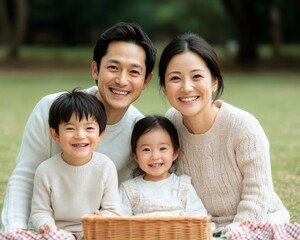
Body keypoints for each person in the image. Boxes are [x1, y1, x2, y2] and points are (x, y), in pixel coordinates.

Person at [1, 22, 156, 231]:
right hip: (42, 232)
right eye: (113, 67)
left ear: (146, 81)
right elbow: (25, 176)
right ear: (95, 69)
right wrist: (15, 231)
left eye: (134, 72)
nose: (121, 80)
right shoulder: (50, 108)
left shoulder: (141, 133)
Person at [158, 33, 290, 235]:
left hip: (257, 224)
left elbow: (257, 196)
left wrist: (232, 234)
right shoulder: (170, 123)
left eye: (197, 76)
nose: (186, 87)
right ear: (164, 86)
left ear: (214, 82)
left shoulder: (243, 126)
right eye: (175, 78)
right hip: (202, 229)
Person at [30, 89, 121, 237]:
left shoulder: (106, 166)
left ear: (100, 134)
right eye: (70, 128)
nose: (80, 135)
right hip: (57, 234)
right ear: (55, 134)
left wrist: (98, 223)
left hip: (93, 233)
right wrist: (46, 226)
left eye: (89, 128)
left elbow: (112, 210)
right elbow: (40, 211)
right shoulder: (45, 170)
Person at [119, 115, 208, 217]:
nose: (155, 156)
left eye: (162, 149)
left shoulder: (183, 186)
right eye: (146, 149)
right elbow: (120, 222)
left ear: (174, 153)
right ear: (135, 156)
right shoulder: (129, 189)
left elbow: (199, 216)